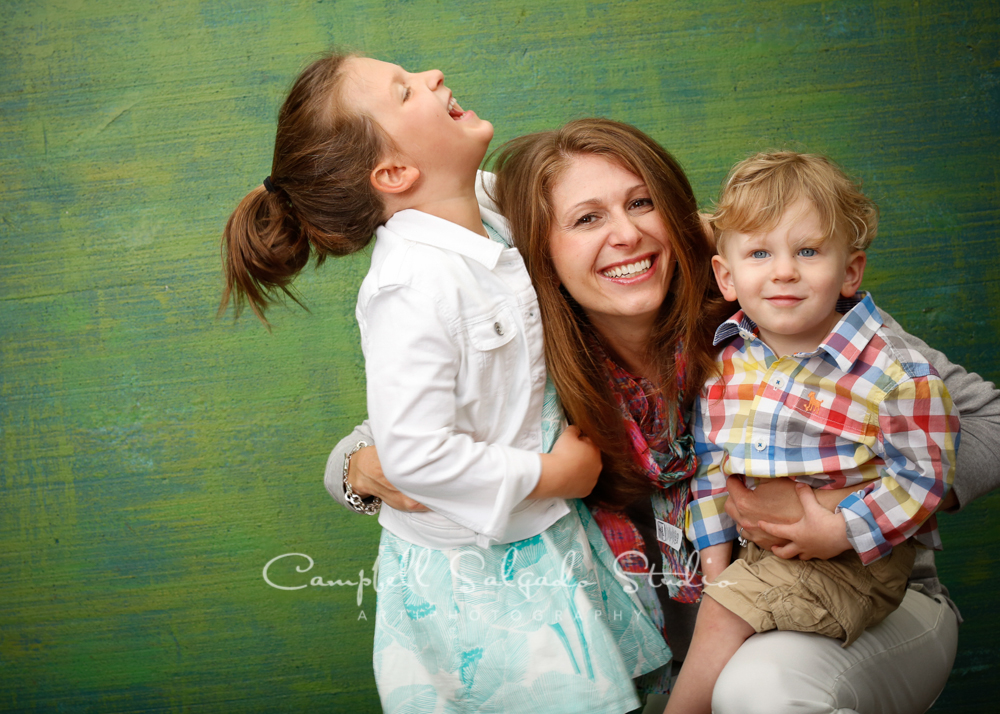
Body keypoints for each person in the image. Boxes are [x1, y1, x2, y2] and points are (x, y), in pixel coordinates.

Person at [327, 119, 1000, 713]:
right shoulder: (534, 359)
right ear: (542, 253)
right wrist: (367, 472)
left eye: (642, 203)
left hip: (867, 606)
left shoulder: (778, 308)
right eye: (586, 219)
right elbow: (357, 460)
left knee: (758, 690)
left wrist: (848, 518)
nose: (627, 235)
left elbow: (988, 420)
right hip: (677, 651)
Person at [219, 53, 669, 714]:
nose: (431, 76)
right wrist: (556, 477)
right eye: (404, 90)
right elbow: (411, 454)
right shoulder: (411, 288)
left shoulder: (489, 205)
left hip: (549, 539)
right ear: (396, 173)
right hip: (481, 573)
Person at [666, 152, 959, 714]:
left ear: (850, 270)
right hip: (763, 561)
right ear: (725, 276)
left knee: (725, 617)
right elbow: (710, 472)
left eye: (807, 250)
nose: (783, 271)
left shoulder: (895, 374)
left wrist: (842, 530)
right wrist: (718, 571)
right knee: (724, 614)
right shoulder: (728, 365)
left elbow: (923, 478)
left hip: (859, 564)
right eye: (759, 253)